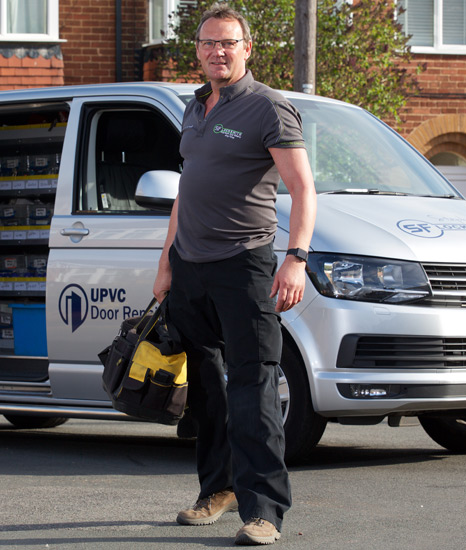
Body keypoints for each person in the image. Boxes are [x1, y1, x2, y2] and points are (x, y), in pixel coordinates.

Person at [152, 2, 317, 546]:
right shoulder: (195, 107)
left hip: (243, 265)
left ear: (246, 49)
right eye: (208, 43)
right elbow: (187, 190)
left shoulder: (268, 107)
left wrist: (295, 258)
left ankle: (264, 510)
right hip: (190, 269)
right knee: (204, 388)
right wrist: (165, 262)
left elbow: (302, 188)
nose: (218, 52)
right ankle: (216, 490)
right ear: (197, 50)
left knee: (253, 386)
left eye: (228, 43)